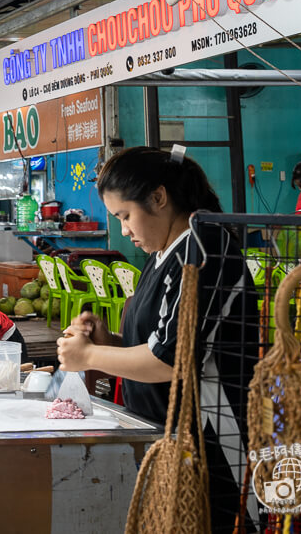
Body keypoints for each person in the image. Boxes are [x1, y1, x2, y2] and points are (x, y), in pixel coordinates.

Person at [56, 146, 256, 534]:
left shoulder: (203, 249)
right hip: (167, 437)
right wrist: (107, 342)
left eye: (126, 216)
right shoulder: (165, 251)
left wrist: (90, 355)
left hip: (210, 442)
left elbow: (168, 360)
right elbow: (155, 340)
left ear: (159, 198)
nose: (125, 230)